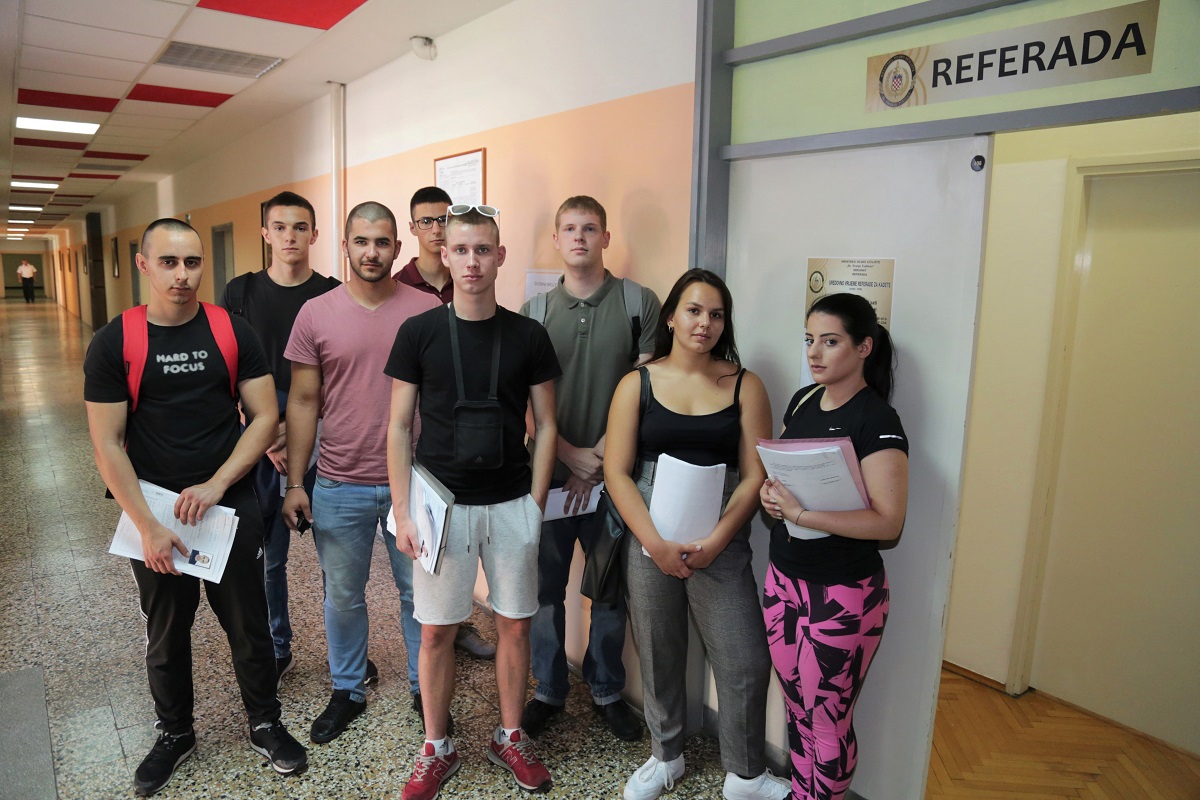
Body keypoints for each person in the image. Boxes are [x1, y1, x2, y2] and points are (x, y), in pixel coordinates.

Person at [84, 218, 307, 797]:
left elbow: (265, 416)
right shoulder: (116, 341)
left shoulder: (231, 330)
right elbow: (107, 444)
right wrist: (146, 525)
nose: (182, 275)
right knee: (166, 631)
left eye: (192, 262)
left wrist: (216, 484)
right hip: (154, 507)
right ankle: (175, 733)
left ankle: (265, 722)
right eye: (169, 262)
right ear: (144, 265)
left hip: (228, 504)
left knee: (249, 624)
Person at [385, 205, 561, 799]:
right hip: (442, 504)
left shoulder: (529, 335)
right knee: (437, 631)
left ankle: (510, 736)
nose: (471, 261)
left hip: (511, 503)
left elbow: (547, 424)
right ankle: (437, 745)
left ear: (500, 256)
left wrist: (535, 505)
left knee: (515, 624)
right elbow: (398, 426)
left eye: (483, 250)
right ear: (444, 254)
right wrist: (404, 511)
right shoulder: (419, 333)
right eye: (460, 250)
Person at [604, 269, 789, 800]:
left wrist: (718, 540)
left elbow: (753, 475)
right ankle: (666, 756)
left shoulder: (746, 384)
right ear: (671, 317)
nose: (704, 323)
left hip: (721, 536)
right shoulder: (636, 383)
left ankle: (746, 774)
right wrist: (655, 544)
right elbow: (617, 471)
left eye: (716, 314)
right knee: (658, 650)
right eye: (693, 310)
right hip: (650, 532)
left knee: (744, 656)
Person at [281, 201, 440, 744]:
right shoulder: (315, 313)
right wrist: (296, 483)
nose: (372, 252)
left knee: (419, 595)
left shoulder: (426, 309)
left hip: (413, 484)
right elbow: (303, 401)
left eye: (382, 242)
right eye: (361, 241)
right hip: (338, 482)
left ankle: (424, 687)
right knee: (343, 597)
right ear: (345, 245)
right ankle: (347, 689)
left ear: (397, 247)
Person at [520, 195, 659, 741]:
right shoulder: (534, 313)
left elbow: (647, 390)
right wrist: (568, 455)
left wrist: (597, 459)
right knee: (543, 592)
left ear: (606, 237)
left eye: (591, 228)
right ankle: (548, 690)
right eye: (570, 229)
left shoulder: (638, 303)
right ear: (556, 239)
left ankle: (605, 690)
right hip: (548, 479)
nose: (580, 237)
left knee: (608, 590)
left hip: (613, 480)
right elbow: (522, 401)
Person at [758, 293, 908, 800]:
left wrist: (802, 515)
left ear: (864, 347)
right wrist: (772, 498)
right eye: (809, 340)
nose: (814, 352)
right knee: (797, 710)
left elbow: (888, 521)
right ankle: (803, 793)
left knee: (827, 718)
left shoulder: (877, 419)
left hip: (843, 592)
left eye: (830, 341)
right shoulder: (803, 400)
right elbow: (782, 474)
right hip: (784, 580)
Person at [220, 191, 340, 686]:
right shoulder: (241, 292)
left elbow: (341, 372)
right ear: (266, 234)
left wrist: (303, 426)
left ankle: (345, 653)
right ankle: (277, 647)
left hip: (323, 438)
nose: (291, 236)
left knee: (337, 559)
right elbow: (229, 370)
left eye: (300, 227)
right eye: (281, 227)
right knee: (270, 558)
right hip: (259, 440)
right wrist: (266, 430)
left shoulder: (332, 294)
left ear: (315, 234)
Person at [393, 185, 497, 661]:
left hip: (470, 460)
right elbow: (399, 416)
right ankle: (425, 663)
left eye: (442, 220)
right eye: (427, 222)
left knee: (447, 577)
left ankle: (454, 632)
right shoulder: (402, 292)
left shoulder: (475, 285)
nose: (435, 230)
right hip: (422, 459)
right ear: (414, 229)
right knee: (419, 586)